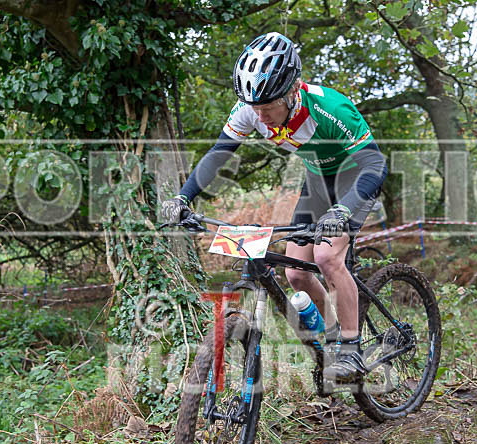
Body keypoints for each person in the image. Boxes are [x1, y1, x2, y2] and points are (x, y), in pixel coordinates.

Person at [161, 32, 387, 384]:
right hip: (317, 180)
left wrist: (343, 211)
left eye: (268, 108)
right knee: (296, 273)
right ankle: (331, 338)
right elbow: (219, 154)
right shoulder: (250, 110)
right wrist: (183, 197)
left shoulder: (330, 109)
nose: (260, 116)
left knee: (328, 260)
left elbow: (375, 165)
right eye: (255, 107)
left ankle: (352, 348)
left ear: (292, 91)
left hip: (353, 180)